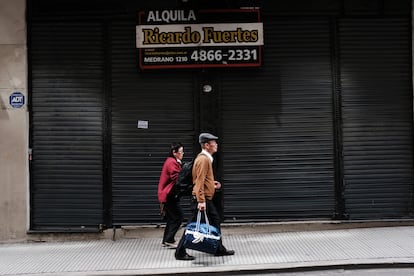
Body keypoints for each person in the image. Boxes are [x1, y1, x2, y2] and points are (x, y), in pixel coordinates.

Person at [175, 133, 235, 260]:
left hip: (204, 198)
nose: (216, 145)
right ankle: (180, 252)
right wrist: (201, 200)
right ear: (207, 145)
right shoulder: (203, 159)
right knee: (193, 225)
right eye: (214, 143)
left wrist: (212, 185)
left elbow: (202, 179)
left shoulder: (205, 158)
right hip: (202, 200)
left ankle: (218, 248)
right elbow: (198, 181)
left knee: (215, 220)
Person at [157, 142, 185, 248]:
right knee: (178, 217)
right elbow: (177, 178)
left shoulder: (172, 161)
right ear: (174, 152)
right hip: (168, 194)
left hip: (167, 194)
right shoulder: (172, 163)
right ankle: (169, 239)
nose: (183, 154)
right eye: (181, 152)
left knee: (172, 218)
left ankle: (167, 240)